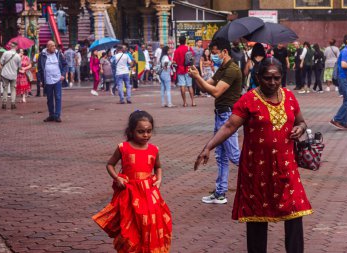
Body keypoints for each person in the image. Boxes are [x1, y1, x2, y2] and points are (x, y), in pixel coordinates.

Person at [194, 57, 313, 253]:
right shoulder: (248, 100)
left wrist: (300, 129)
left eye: (276, 78)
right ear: (258, 77)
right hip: (258, 170)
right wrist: (208, 147)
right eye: (267, 78)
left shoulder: (290, 97)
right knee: (257, 216)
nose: (272, 82)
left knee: (294, 213)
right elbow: (230, 126)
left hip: (286, 168)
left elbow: (301, 122)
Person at [92, 110, 172, 252]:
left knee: (150, 223)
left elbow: (158, 167)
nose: (145, 135)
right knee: (130, 225)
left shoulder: (154, 149)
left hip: (149, 194)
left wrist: (159, 179)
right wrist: (117, 178)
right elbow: (110, 164)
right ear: (131, 131)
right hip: (129, 193)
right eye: (141, 131)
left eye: (149, 131)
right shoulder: (123, 148)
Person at [188, 37, 241, 204]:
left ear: (225, 52)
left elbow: (216, 92)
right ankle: (220, 192)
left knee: (234, 156)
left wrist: (198, 77)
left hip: (228, 116)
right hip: (220, 115)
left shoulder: (232, 69)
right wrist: (197, 77)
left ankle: (263, 181)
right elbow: (207, 85)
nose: (213, 57)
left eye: (215, 53)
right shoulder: (222, 68)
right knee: (221, 156)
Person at [330, 33, 347, 130]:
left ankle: (344, 122)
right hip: (344, 79)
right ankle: (336, 119)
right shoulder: (345, 51)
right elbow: (344, 65)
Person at [38, 40, 67, 123]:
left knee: (58, 97)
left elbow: (65, 65)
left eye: (55, 46)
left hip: (57, 79)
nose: (54, 47)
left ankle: (57, 115)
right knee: (49, 98)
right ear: (48, 47)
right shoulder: (42, 55)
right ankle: (51, 115)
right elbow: (39, 69)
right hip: (47, 80)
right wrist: (40, 80)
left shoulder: (58, 54)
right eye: (52, 46)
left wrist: (63, 75)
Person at [173, 36, 195, 107]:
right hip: (188, 69)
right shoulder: (189, 48)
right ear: (185, 41)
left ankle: (185, 102)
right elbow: (193, 57)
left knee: (182, 86)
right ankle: (193, 102)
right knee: (190, 86)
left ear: (179, 41)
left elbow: (174, 61)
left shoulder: (177, 50)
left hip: (180, 69)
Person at [0, 42, 21, 110]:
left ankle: (4, 103)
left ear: (10, 46)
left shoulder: (5, 53)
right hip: (13, 75)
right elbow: (19, 66)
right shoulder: (18, 56)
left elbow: (1, 62)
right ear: (16, 47)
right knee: (13, 89)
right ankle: (13, 103)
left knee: (5, 89)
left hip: (5, 74)